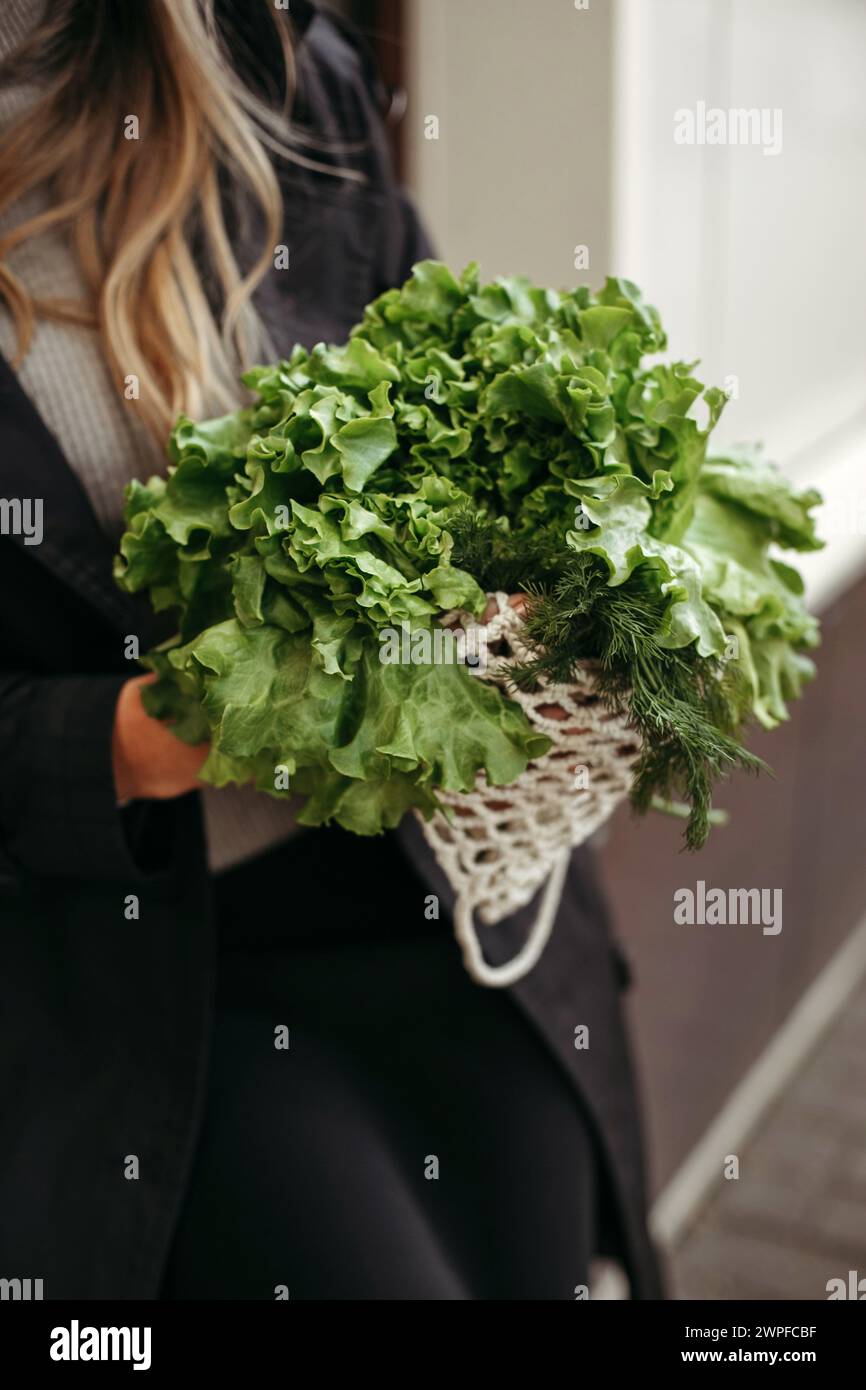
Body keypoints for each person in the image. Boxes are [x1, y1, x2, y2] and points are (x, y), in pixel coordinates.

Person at [0, 0, 662, 1300]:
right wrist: (128, 744)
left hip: (439, 894)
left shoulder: (268, 56)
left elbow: (437, 386)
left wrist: (522, 552)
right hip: (134, 988)